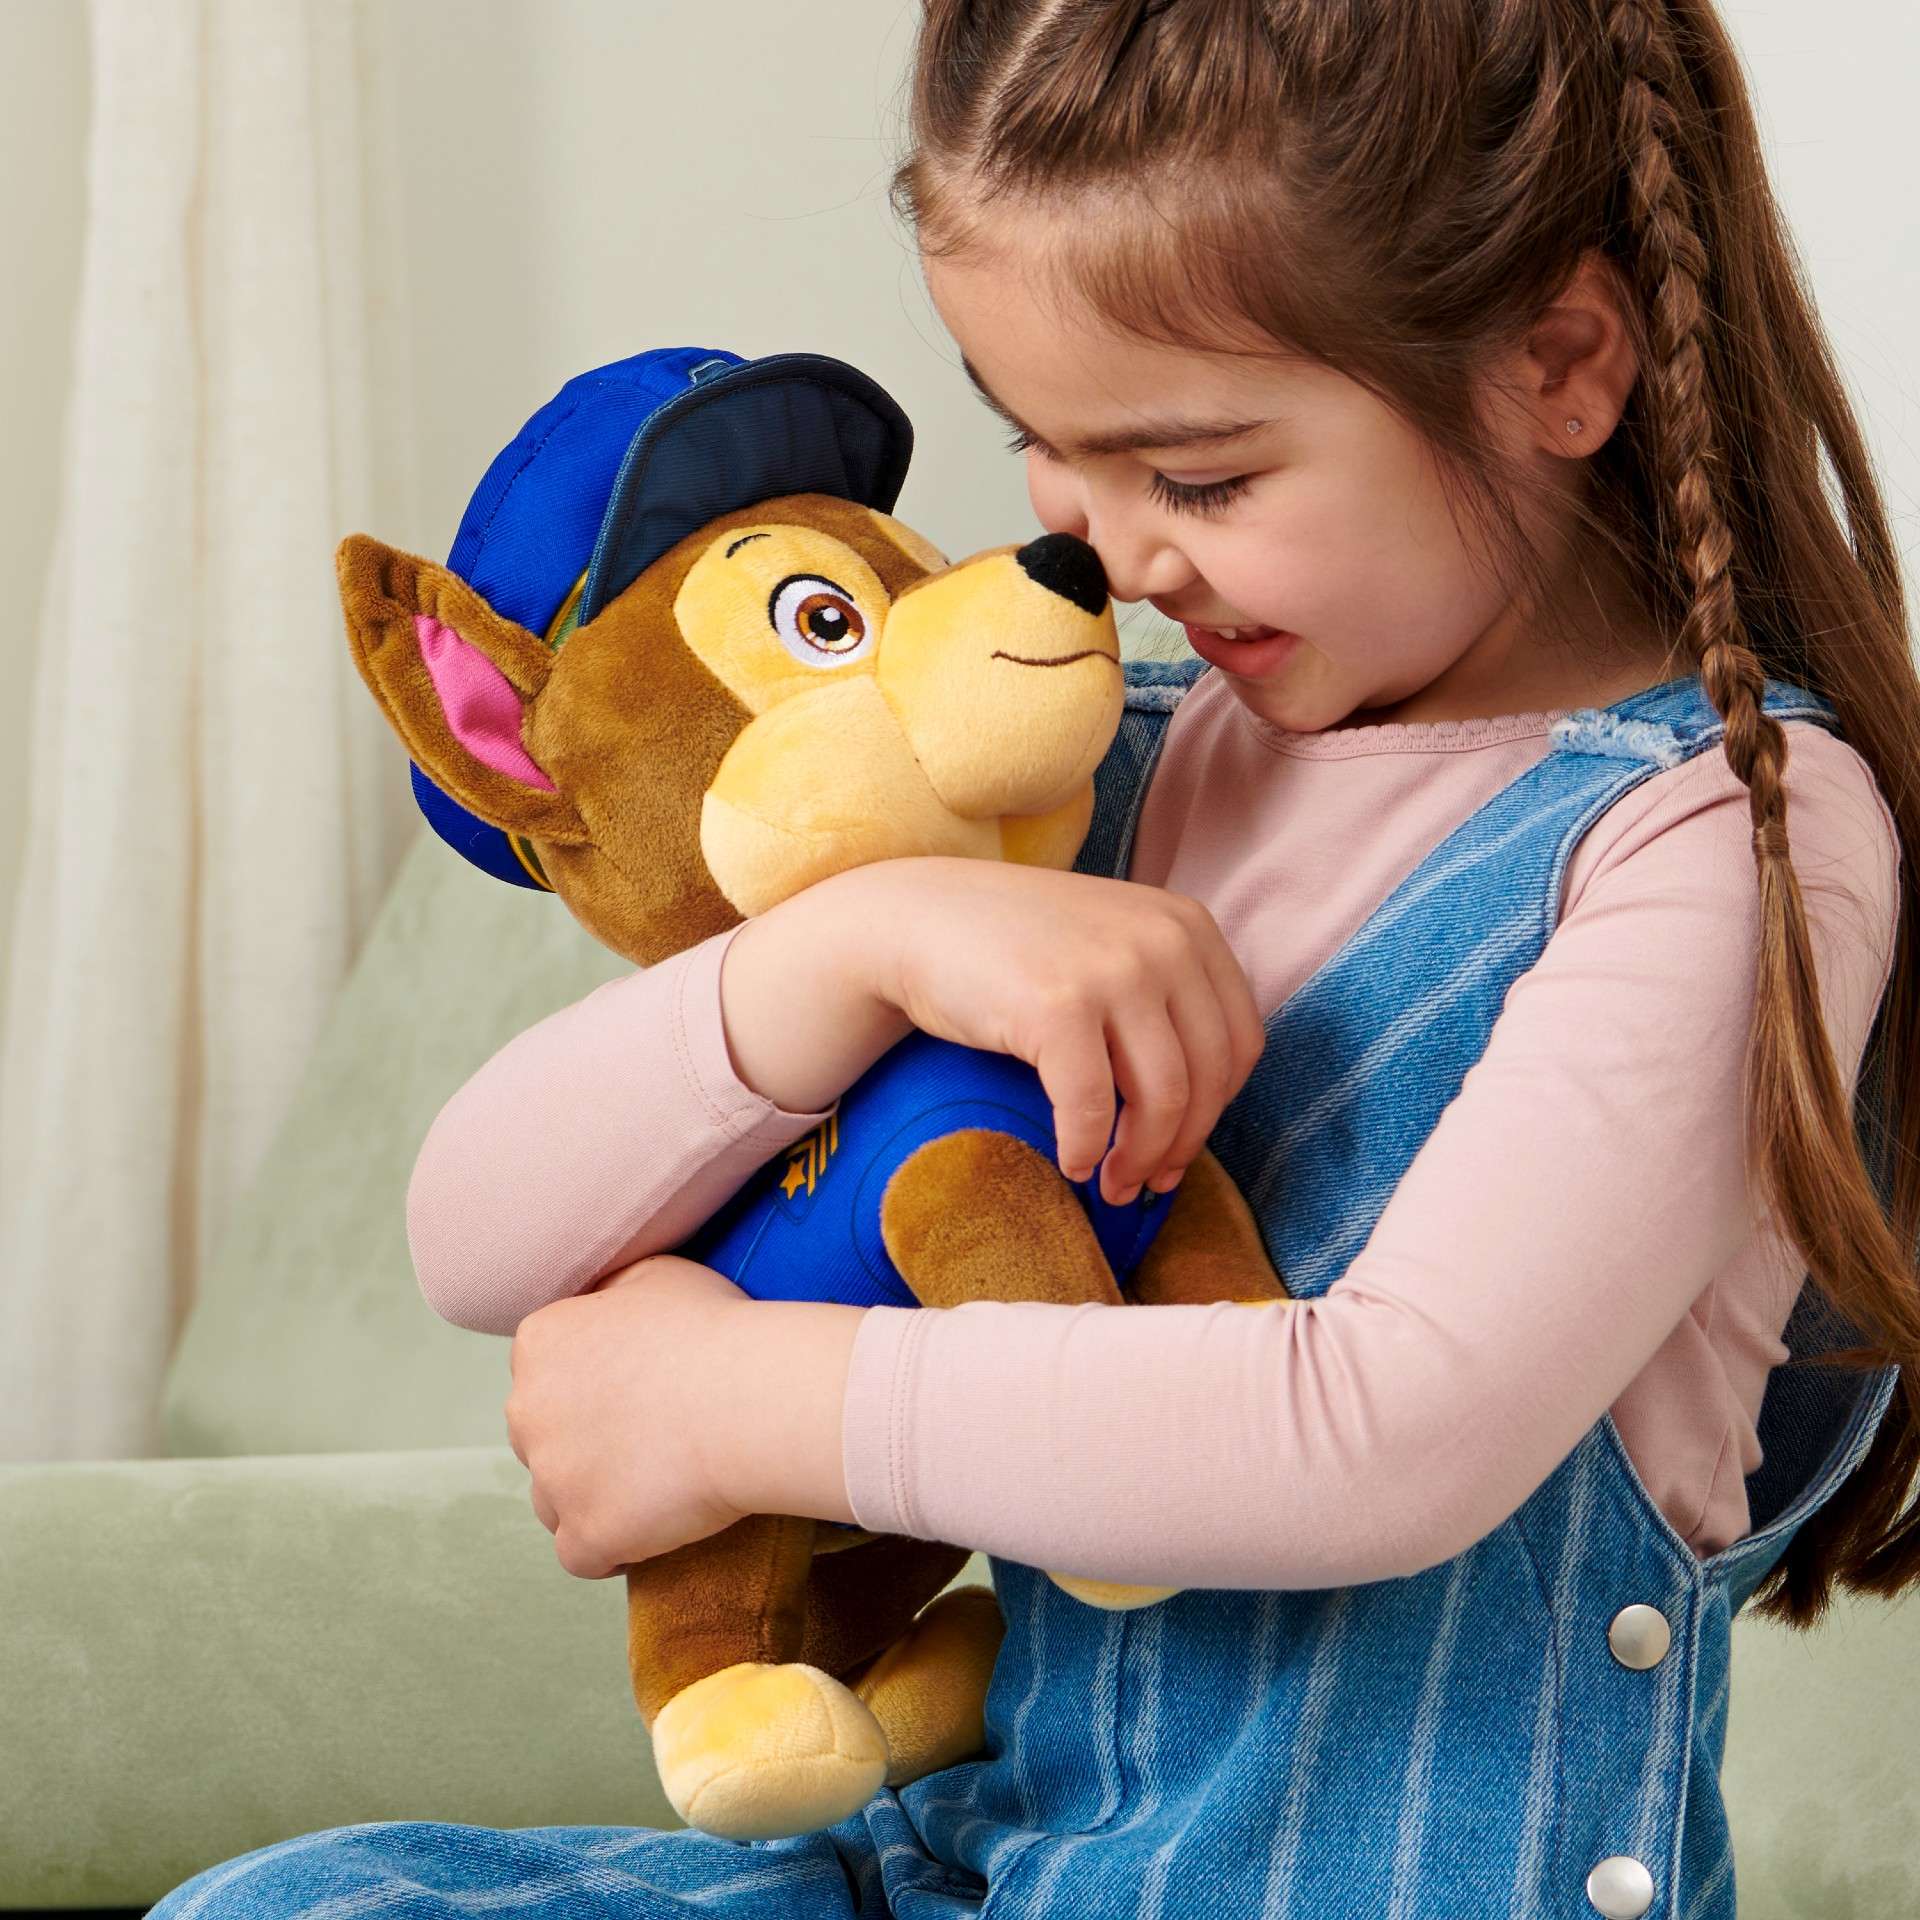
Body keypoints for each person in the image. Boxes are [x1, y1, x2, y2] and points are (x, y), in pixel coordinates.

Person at [151, 2, 1918, 1915]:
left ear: (1558, 366)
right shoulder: (1088, 759)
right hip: (987, 1871)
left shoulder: (1726, 833)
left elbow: (1381, 1438)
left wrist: (734, 1407)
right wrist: (860, 943)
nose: (1110, 554)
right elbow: (476, 1241)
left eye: (1202, 476)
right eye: (1043, 447)